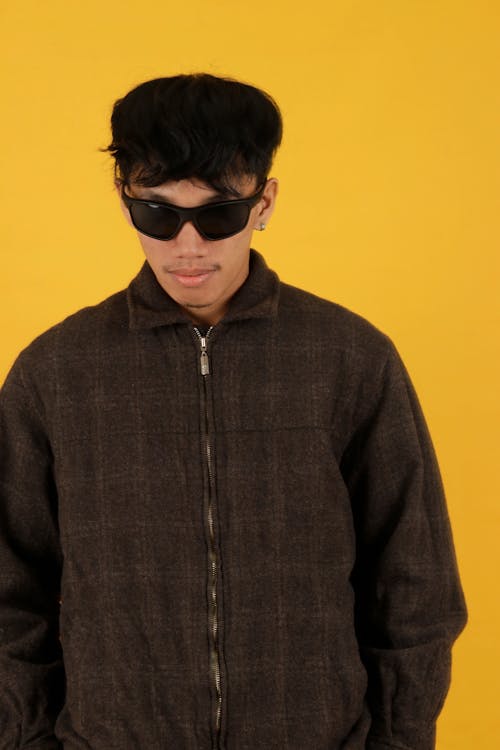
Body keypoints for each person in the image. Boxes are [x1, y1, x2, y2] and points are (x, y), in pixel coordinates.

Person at [0, 73, 466, 750]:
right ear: (122, 198)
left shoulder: (350, 358)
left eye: (217, 214)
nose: (188, 247)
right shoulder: (56, 373)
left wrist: (403, 737)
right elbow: (10, 589)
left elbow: (414, 579)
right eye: (157, 214)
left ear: (264, 201)